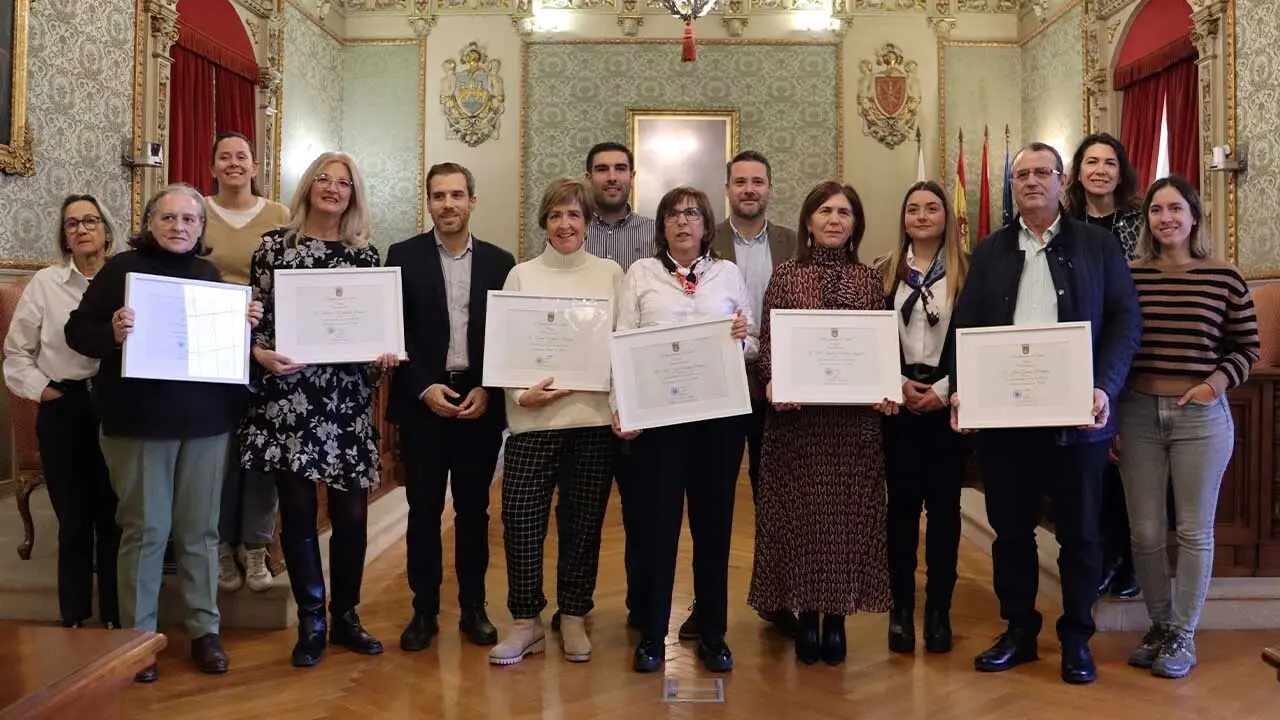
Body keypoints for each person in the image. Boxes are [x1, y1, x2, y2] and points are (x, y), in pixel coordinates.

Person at [950, 142, 1141, 685]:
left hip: (1078, 421)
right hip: (1006, 425)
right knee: (1010, 532)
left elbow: (1125, 323)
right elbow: (967, 330)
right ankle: (1019, 631)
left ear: (1062, 182)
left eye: (1043, 172)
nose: (1032, 181)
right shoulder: (988, 252)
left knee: (1081, 534)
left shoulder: (1098, 247)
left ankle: (1077, 637)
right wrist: (965, 389)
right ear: (1013, 187)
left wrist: (1105, 387)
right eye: (1022, 175)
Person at [65, 184, 263, 683]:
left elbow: (226, 353)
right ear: (150, 222)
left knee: (200, 533)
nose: (179, 227)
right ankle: (139, 638)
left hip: (205, 424)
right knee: (146, 531)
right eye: (169, 217)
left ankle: (204, 631)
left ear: (201, 229)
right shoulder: (121, 271)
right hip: (138, 426)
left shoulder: (209, 276)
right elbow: (77, 332)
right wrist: (112, 331)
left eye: (189, 220)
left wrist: (244, 325)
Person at [238, 151, 393, 667]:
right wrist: (258, 352)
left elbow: (372, 341)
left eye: (343, 182)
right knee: (299, 510)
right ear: (308, 187)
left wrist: (382, 356)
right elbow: (254, 321)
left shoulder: (366, 258)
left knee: (350, 512)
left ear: (353, 194)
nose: (332, 188)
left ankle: (346, 615)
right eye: (323, 179)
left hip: (345, 402)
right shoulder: (272, 248)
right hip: (288, 398)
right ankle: (312, 619)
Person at [749, 181, 896, 666]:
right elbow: (770, 343)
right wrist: (773, 383)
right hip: (798, 426)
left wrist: (885, 389)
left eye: (844, 213)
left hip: (853, 429)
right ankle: (805, 612)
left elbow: (880, 351)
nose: (834, 220)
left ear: (856, 224)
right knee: (802, 521)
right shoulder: (786, 277)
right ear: (808, 220)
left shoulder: (869, 281)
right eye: (825, 211)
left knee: (848, 522)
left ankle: (836, 619)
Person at [1119, 175, 1259, 679]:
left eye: (1176, 209)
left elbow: (1246, 348)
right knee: (1146, 532)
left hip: (1201, 414)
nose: (1166, 218)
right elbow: (1116, 346)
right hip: (1137, 415)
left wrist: (1213, 385)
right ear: (1148, 221)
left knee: (1196, 531)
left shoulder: (1224, 276)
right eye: (1157, 211)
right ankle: (1159, 625)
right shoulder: (1130, 275)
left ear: (1194, 216)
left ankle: (1183, 633)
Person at [487, 178, 624, 666]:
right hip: (533, 421)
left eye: (574, 216)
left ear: (588, 222)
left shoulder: (610, 274)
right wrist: (518, 395)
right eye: (556, 216)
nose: (565, 225)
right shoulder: (521, 276)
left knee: (582, 524)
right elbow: (502, 348)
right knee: (521, 522)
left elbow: (623, 345)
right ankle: (526, 622)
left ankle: (572, 615)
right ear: (544, 222)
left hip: (590, 421)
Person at [619, 186, 754, 674]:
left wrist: (742, 337)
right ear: (662, 226)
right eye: (673, 214)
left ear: (706, 224)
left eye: (692, 214)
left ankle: (713, 633)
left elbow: (752, 340)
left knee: (714, 530)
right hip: (660, 425)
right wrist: (624, 409)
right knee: (657, 530)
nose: (683, 222)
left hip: (717, 424)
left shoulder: (728, 274)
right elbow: (624, 343)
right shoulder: (641, 274)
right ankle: (652, 635)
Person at [387, 162, 515, 652]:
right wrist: (423, 388)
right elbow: (393, 332)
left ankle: (474, 608)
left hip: (479, 401)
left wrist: (488, 387)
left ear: (472, 201)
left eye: (457, 195)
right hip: (424, 401)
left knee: (474, 511)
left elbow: (506, 335)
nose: (448, 204)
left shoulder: (501, 263)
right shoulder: (403, 256)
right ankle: (423, 611)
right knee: (421, 512)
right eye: (438, 196)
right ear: (428, 202)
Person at [3, 194, 121, 630]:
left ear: (106, 229)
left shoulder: (126, 278)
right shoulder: (45, 284)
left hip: (117, 405)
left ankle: (114, 614)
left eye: (90, 220)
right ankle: (73, 615)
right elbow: (16, 354)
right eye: (72, 224)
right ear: (64, 236)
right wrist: (44, 392)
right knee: (72, 519)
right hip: (64, 404)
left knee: (113, 518)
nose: (82, 229)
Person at [701, 151, 800, 637]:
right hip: (721, 385)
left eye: (757, 181)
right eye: (739, 181)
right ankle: (705, 606)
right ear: (727, 189)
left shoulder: (794, 243)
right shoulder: (704, 241)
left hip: (781, 388)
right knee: (712, 499)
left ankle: (779, 599)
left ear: (769, 188)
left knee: (777, 498)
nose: (749, 189)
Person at [879, 180, 970, 654]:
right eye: (912, 208)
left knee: (944, 512)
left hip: (946, 403)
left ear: (946, 218)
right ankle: (900, 610)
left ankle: (938, 611)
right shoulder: (884, 272)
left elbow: (977, 339)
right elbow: (871, 339)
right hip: (898, 404)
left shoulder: (966, 273)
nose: (921, 215)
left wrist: (942, 389)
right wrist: (896, 383)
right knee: (901, 510)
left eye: (931, 208)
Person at [202, 131, 291, 595]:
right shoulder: (196, 211)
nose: (234, 163)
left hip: (268, 346)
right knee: (217, 454)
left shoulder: (279, 215)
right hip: (210, 348)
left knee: (261, 453)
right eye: (225, 156)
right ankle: (218, 547)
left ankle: (255, 547)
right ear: (213, 165)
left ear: (256, 166)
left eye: (243, 156)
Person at [1066, 132, 1144, 599]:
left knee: (1125, 464)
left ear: (1121, 171)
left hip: (1126, 352)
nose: (1100, 170)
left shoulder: (1141, 220)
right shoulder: (1065, 221)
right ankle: (1097, 558)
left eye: (1109, 163)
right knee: (1090, 468)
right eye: (1091, 162)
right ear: (1077, 172)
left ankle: (1128, 559)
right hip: (1075, 357)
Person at [582, 142, 656, 631]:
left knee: (643, 512)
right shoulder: (569, 229)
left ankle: (642, 606)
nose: (612, 177)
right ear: (589, 176)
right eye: (602, 169)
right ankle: (576, 604)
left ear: (632, 175)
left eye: (620, 168)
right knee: (583, 511)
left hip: (641, 394)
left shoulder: (656, 234)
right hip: (584, 391)